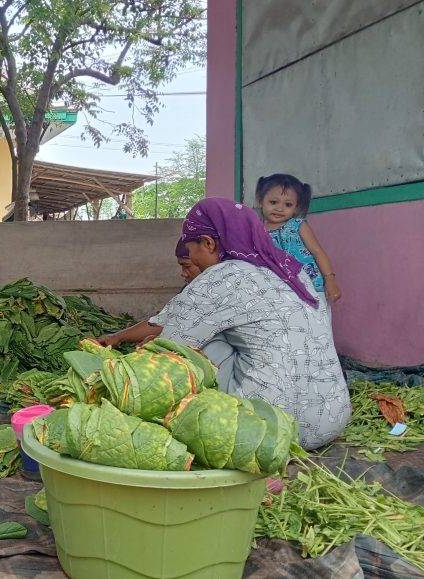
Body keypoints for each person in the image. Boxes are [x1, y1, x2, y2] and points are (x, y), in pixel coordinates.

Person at [150, 198, 350, 449]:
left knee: (197, 343)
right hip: (331, 420)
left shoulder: (223, 275)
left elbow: (169, 348)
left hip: (267, 430)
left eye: (191, 248)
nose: (191, 257)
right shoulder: (293, 270)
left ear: (208, 243)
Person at [255, 173, 341, 310]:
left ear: (296, 207)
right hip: (279, 291)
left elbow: (318, 252)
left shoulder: (298, 225)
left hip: (312, 287)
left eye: (288, 204)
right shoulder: (256, 231)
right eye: (273, 202)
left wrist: (330, 279)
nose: (279, 208)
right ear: (260, 200)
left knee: (317, 327)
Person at [98, 239, 201, 348]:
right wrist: (117, 337)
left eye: (187, 266)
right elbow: (163, 322)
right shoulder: (189, 290)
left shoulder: (214, 293)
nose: (183, 273)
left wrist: (162, 340)